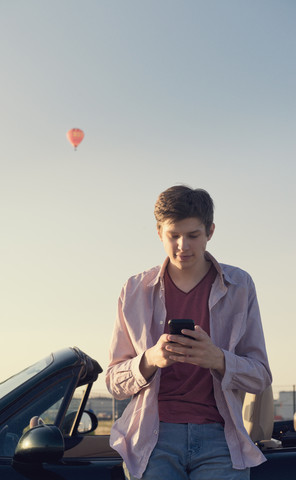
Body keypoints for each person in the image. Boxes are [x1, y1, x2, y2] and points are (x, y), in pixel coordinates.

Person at [106, 185, 272, 480]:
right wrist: (149, 360)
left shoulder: (240, 286)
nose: (183, 245)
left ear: (210, 231)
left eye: (193, 235)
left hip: (221, 437)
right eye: (174, 235)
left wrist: (218, 359)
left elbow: (260, 376)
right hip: (152, 439)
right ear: (159, 232)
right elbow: (114, 382)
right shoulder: (133, 291)